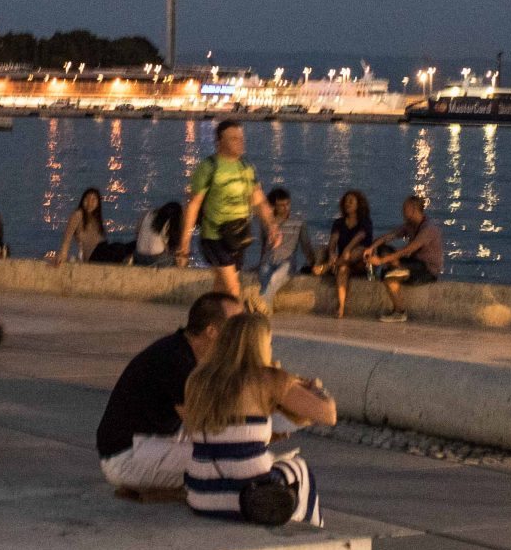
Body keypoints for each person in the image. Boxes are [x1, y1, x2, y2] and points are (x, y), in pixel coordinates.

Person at [181, 310, 333, 527]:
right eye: (269, 343)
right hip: (247, 497)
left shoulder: (199, 378)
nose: (270, 349)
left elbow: (231, 433)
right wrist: (317, 390)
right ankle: (314, 532)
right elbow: (328, 414)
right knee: (299, 469)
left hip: (200, 494)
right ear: (260, 345)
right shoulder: (266, 378)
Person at [96, 292, 242, 497]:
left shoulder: (187, 351)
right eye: (237, 326)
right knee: (232, 464)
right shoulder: (176, 359)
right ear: (211, 331)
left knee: (237, 456)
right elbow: (202, 426)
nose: (244, 332)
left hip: (153, 442)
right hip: (127, 457)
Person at [179, 120, 277, 298]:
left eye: (241, 138)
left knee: (220, 286)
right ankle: (237, 316)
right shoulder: (209, 167)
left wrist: (271, 226)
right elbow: (193, 205)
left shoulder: (246, 167)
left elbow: (258, 200)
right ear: (219, 142)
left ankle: (210, 314)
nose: (240, 142)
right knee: (233, 289)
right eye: (233, 138)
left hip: (238, 236)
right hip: (214, 236)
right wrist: (184, 243)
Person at [369, 195, 443, 323]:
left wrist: (380, 261)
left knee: (388, 276)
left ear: (413, 209)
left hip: (427, 269)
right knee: (383, 249)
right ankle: (399, 269)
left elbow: (408, 250)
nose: (402, 212)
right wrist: (372, 247)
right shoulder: (410, 225)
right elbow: (390, 236)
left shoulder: (428, 229)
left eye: (405, 209)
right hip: (413, 262)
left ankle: (400, 312)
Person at [314, 190, 374, 319]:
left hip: (361, 263)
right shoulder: (339, 223)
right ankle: (341, 307)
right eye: (346, 201)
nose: (348, 204)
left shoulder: (365, 221)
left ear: (358, 204)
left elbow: (359, 237)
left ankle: (328, 267)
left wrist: (347, 249)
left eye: (351, 201)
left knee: (358, 251)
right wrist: (331, 253)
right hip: (343, 262)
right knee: (342, 270)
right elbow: (333, 242)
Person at [255, 188, 315, 305]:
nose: (286, 208)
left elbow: (306, 245)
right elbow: (264, 244)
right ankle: (266, 307)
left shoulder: (298, 222)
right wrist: (260, 262)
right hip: (268, 260)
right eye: (281, 205)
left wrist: (313, 263)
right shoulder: (266, 223)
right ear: (274, 206)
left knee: (274, 279)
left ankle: (261, 305)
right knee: (264, 279)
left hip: (287, 261)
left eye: (288, 204)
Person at [49, 186, 108, 265]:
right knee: (119, 248)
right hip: (93, 255)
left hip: (102, 250)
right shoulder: (78, 214)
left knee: (118, 249)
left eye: (93, 200)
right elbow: (68, 236)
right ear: (82, 200)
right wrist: (63, 254)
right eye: (87, 199)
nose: (90, 203)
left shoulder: (96, 219)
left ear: (98, 203)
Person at [131, 201, 182, 268]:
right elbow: (167, 245)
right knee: (174, 260)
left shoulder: (148, 214)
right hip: (157, 259)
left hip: (139, 257)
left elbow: (137, 231)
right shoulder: (169, 222)